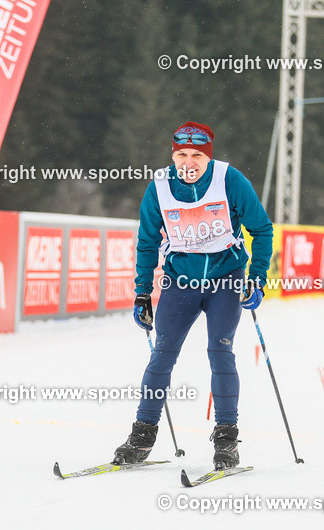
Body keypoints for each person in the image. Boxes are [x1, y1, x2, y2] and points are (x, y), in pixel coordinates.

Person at [112, 121, 273, 470]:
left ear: (208, 157)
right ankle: (143, 435)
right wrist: (142, 293)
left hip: (225, 280)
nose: (189, 162)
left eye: (197, 155)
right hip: (179, 282)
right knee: (163, 354)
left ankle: (226, 438)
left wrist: (257, 278)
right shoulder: (159, 187)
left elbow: (261, 230)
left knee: (220, 351)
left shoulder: (230, 180)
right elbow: (147, 242)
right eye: (181, 154)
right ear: (173, 155)